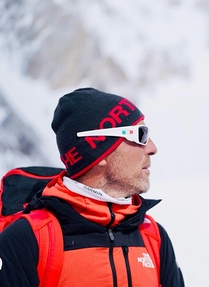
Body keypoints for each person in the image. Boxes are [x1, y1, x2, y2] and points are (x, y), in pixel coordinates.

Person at [0, 88, 185, 286]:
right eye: (140, 134)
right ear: (100, 150)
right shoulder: (29, 239)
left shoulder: (153, 237)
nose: (152, 148)